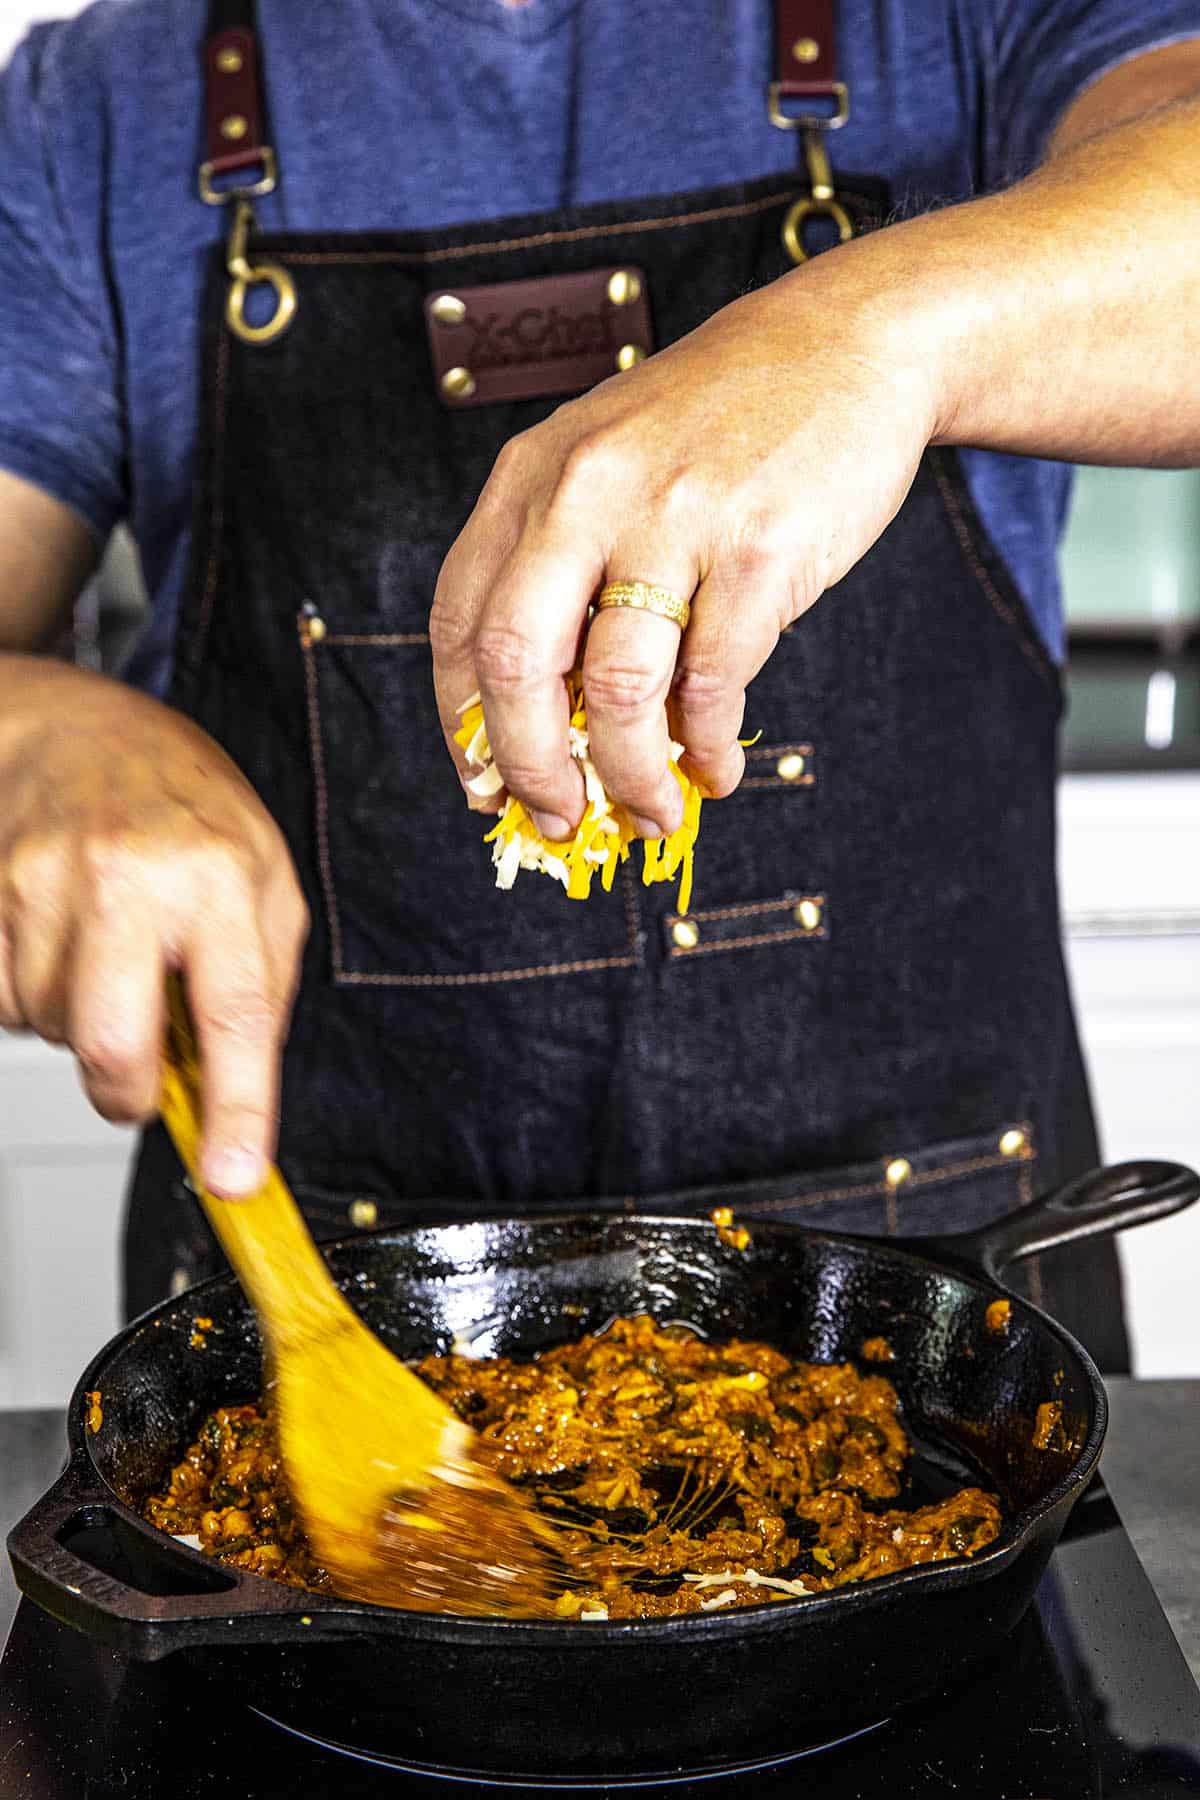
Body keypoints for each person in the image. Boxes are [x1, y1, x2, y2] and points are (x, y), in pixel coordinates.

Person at [1, 1, 1197, 1368]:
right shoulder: (90, 105)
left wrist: (870, 338)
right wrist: (31, 729)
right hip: (319, 1339)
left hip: (951, 1340)